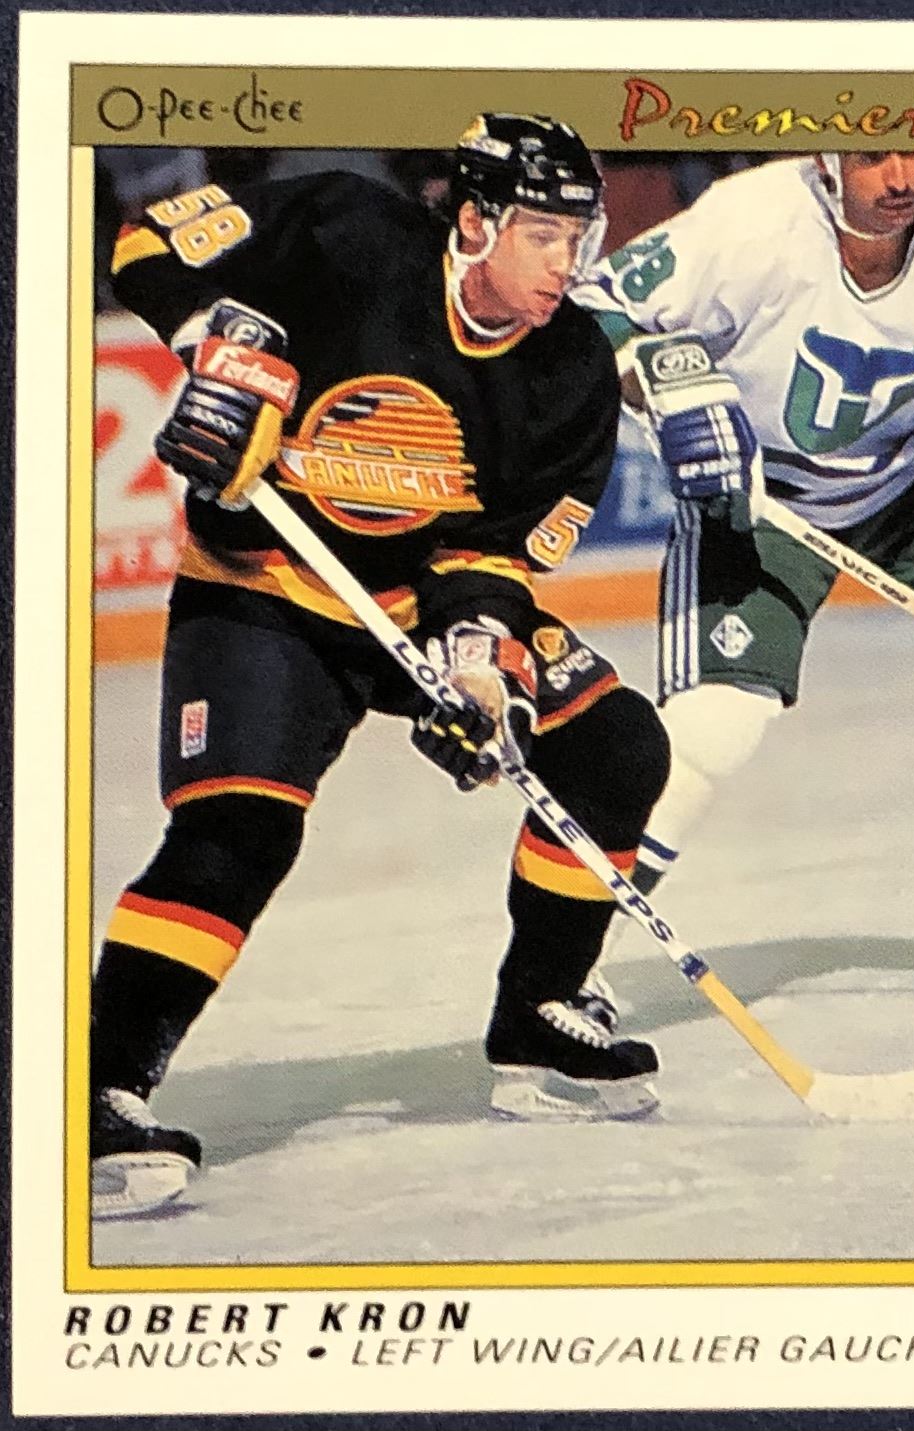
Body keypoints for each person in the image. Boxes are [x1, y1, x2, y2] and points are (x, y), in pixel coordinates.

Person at [91, 113, 672, 1218]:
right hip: (265, 589)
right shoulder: (343, 230)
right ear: (475, 220)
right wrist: (217, 343)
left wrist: (479, 673)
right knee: (237, 831)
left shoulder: (570, 366)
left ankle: (538, 1016)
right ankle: (99, 1089)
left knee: (614, 745)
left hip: (414, 605)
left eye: (579, 236)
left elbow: (490, 554)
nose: (566, 263)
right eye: (544, 234)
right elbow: (147, 242)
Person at [573, 151, 914, 911]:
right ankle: (579, 942)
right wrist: (653, 370)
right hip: (760, 497)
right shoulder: (750, 222)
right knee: (713, 730)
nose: (903, 179)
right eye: (874, 158)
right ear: (826, 161)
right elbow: (588, 310)